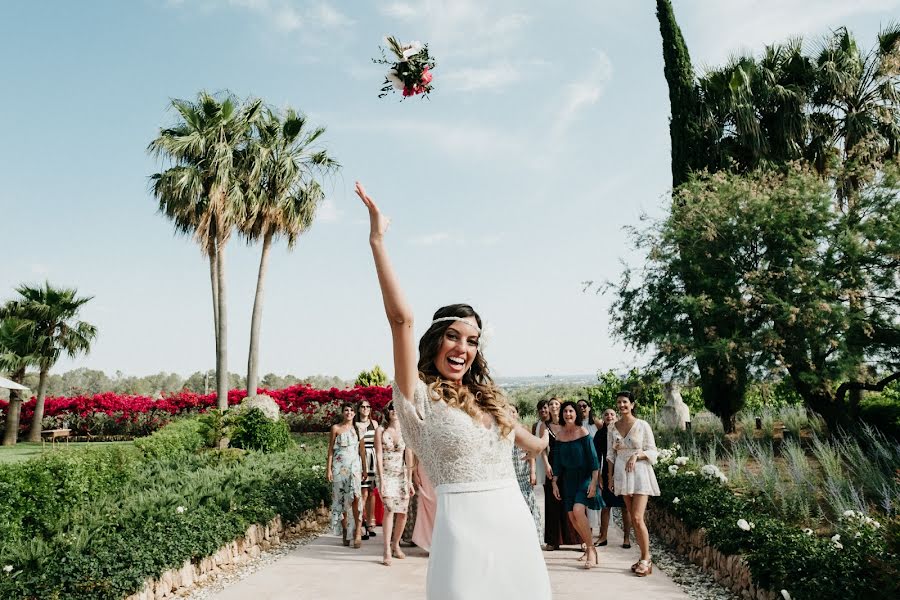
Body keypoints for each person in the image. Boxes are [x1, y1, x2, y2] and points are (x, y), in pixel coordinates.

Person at [357, 181, 551, 599]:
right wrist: (377, 240)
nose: (463, 348)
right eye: (453, 336)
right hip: (462, 530)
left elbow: (531, 445)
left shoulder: (487, 399)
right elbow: (401, 321)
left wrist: (551, 439)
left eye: (472, 340)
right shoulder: (419, 394)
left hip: (514, 524)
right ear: (436, 341)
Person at [608, 391, 660, 577]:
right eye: (619, 402)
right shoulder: (612, 427)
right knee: (631, 517)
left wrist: (637, 455)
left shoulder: (642, 425)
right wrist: (610, 477)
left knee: (638, 518)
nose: (621, 405)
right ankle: (642, 557)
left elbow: (653, 451)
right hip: (622, 473)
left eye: (625, 402)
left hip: (639, 473)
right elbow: (610, 454)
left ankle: (646, 559)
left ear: (632, 404)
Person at [551, 401, 603, 569]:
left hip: (584, 478)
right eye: (565, 411)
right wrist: (554, 483)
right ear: (562, 414)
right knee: (573, 519)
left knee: (578, 511)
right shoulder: (559, 436)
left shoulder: (583, 432)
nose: (568, 414)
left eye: (571, 411)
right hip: (567, 481)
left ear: (576, 414)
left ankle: (591, 549)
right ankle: (590, 547)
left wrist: (594, 483)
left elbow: (594, 461)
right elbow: (557, 464)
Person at [375, 403, 415, 565]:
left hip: (401, 475)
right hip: (386, 474)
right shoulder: (381, 431)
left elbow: (409, 456)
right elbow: (378, 454)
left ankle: (396, 544)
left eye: (397, 409)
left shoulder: (405, 432)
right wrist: (382, 479)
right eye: (391, 409)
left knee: (403, 511)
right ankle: (386, 549)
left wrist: (410, 480)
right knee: (390, 509)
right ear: (387, 412)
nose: (394, 411)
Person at [326, 402, 368, 548]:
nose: (349, 412)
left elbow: (362, 451)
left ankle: (357, 532)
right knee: (342, 499)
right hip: (339, 467)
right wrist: (328, 469)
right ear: (342, 412)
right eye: (346, 410)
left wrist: (365, 468)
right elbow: (330, 450)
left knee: (356, 497)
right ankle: (345, 530)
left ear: (354, 413)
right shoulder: (336, 428)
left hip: (354, 467)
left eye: (351, 410)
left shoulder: (359, 429)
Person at [542, 396, 580, 550]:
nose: (553, 406)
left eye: (556, 403)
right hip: (552, 465)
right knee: (552, 503)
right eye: (550, 404)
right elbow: (542, 448)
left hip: (569, 466)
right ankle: (553, 540)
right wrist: (546, 465)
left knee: (571, 501)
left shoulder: (568, 424)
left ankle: (578, 538)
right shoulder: (544, 426)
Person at [594, 408, 631, 548]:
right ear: (603, 417)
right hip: (606, 473)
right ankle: (603, 537)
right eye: (606, 414)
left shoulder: (622, 431)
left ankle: (627, 539)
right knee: (605, 506)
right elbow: (596, 458)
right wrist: (599, 477)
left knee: (625, 507)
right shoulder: (600, 434)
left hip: (623, 471)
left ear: (616, 416)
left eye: (612, 414)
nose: (609, 416)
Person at [509, 404, 542, 543]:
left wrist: (533, 472)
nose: (510, 414)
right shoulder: (501, 430)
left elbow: (532, 453)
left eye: (513, 411)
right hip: (510, 474)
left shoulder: (524, 429)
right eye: (507, 411)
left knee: (528, 503)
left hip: (523, 472)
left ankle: (534, 537)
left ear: (517, 414)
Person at [354, 399, 380, 539]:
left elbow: (378, 444)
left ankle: (371, 523)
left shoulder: (374, 424)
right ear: (358, 409)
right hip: (360, 459)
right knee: (362, 492)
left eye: (367, 406)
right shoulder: (355, 425)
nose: (365, 409)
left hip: (373, 459)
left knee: (371, 492)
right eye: (362, 407)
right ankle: (361, 523)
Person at [532, 400, 550, 486]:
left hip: (551, 456)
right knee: (544, 484)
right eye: (540, 408)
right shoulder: (535, 425)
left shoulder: (553, 423)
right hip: (540, 458)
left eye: (545, 407)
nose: (542, 410)